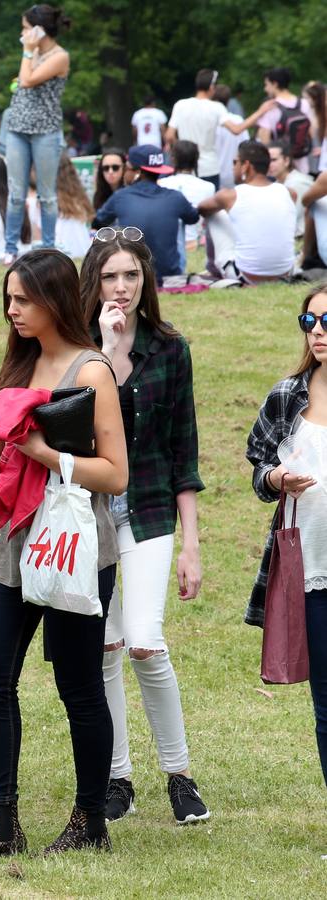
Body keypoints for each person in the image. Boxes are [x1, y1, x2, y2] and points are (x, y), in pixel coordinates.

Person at [0, 249, 128, 856]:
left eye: (22, 299)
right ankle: (0, 822)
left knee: (80, 686)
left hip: (76, 544)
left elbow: (115, 475)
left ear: (53, 299)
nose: (11, 309)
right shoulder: (20, 362)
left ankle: (90, 822)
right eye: (8, 298)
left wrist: (46, 456)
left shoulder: (91, 372)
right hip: (16, 543)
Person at [78, 235, 210, 826]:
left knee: (145, 640)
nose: (122, 287)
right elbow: (72, 425)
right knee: (104, 646)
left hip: (152, 511)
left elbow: (185, 450)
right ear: (94, 284)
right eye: (110, 277)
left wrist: (192, 544)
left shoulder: (170, 348)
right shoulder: (80, 349)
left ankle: (179, 775)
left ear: (146, 281)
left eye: (131, 275)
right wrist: (105, 351)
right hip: (91, 515)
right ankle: (117, 777)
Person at [244, 284, 327, 809]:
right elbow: (257, 466)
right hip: (312, 572)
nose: (317, 331)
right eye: (309, 321)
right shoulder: (286, 395)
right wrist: (275, 478)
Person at [0, 4, 72, 262]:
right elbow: (22, 81)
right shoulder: (31, 55)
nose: (23, 33)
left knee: (47, 195)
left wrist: (28, 51)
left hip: (45, 132)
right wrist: (29, 52)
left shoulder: (59, 56)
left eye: (26, 28)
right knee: (16, 193)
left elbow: (27, 80)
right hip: (17, 129)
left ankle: (48, 247)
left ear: (39, 30)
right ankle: (10, 248)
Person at [198, 141, 297, 282]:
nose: (233, 168)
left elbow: (202, 209)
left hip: (245, 275)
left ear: (246, 165)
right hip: (285, 273)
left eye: (235, 162)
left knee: (215, 214)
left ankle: (213, 270)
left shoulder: (229, 196)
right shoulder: (289, 193)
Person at [94, 146, 199, 278]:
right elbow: (193, 218)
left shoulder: (120, 197)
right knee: (177, 217)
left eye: (127, 167)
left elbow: (97, 222)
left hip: (133, 275)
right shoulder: (175, 197)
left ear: (138, 172)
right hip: (170, 275)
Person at [157, 140, 215, 268]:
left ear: (173, 159)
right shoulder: (209, 187)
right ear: (196, 160)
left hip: (170, 244)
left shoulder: (162, 184)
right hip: (198, 242)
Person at [165, 69, 227, 191]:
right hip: (210, 166)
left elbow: (169, 135)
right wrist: (261, 111)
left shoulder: (181, 105)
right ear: (211, 87)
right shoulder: (217, 107)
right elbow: (236, 129)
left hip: (186, 167)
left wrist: (181, 149)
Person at [29, 154, 93, 258]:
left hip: (58, 260)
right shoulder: (80, 201)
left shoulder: (38, 204)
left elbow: (37, 245)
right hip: (81, 257)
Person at [268, 139, 315, 237]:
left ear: (286, 161)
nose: (269, 165)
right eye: (267, 161)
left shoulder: (297, 183)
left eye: (274, 160)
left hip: (302, 238)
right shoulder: (277, 184)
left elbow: (290, 220)